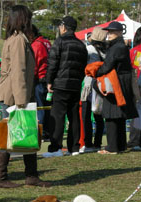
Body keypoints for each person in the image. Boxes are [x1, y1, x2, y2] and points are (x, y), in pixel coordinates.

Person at [0, 4, 50, 188]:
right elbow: (19, 70)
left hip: (15, 92)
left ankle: (31, 175)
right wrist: (21, 101)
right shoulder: (19, 40)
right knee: (9, 135)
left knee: (27, 132)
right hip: (14, 94)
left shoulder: (16, 38)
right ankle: (1, 178)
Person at [43, 16, 88, 157]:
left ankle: (56, 147)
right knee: (74, 116)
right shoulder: (81, 45)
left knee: (57, 116)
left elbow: (52, 64)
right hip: (75, 84)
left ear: (64, 27)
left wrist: (49, 81)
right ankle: (74, 147)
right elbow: (83, 65)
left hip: (61, 83)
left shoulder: (59, 42)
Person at [96, 21, 137, 154]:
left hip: (115, 82)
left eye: (112, 31)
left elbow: (108, 66)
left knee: (111, 115)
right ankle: (120, 145)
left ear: (119, 32)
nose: (109, 34)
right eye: (109, 31)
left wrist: (96, 72)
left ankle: (112, 147)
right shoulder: (120, 46)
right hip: (121, 81)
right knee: (119, 115)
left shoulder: (117, 47)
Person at [80, 26, 107, 153]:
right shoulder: (106, 51)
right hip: (101, 85)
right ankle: (98, 142)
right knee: (99, 114)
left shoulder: (89, 49)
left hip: (89, 84)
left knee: (86, 115)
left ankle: (88, 142)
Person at [127, 26, 141, 151]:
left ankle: (134, 139)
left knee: (137, 113)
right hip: (140, 84)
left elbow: (136, 69)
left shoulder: (136, 50)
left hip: (136, 84)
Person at [30, 25, 50, 141]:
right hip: (47, 78)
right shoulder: (46, 42)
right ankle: (46, 131)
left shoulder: (36, 45)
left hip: (39, 79)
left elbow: (35, 64)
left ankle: (40, 133)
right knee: (47, 107)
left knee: (40, 107)